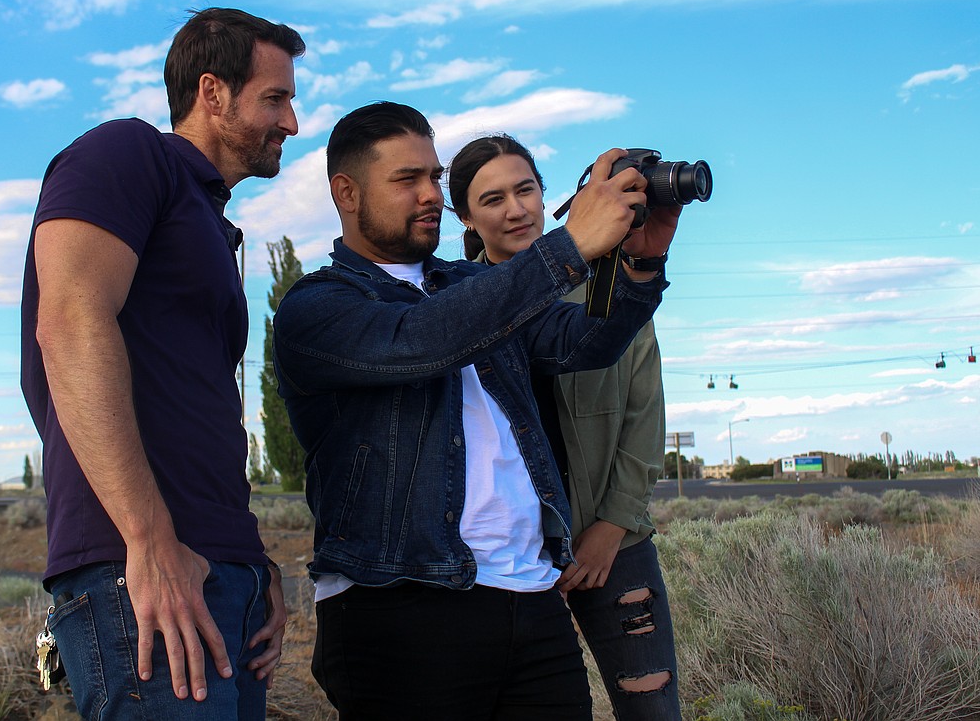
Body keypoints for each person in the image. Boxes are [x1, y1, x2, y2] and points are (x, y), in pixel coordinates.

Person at [271, 102, 681, 719]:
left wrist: (639, 264)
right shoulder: (318, 308)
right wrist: (568, 244)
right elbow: (426, 339)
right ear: (346, 193)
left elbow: (585, 342)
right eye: (406, 180)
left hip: (531, 596)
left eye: (434, 178)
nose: (429, 194)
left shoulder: (469, 285)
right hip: (402, 608)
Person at [20, 7, 304, 720]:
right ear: (212, 93)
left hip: (220, 574)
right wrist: (146, 539)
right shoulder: (126, 153)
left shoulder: (209, 220)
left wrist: (254, 558)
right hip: (142, 570)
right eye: (276, 98)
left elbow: (195, 408)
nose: (293, 123)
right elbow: (68, 325)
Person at [448, 134, 682, 720]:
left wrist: (610, 526)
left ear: (547, 194)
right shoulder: (452, 302)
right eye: (493, 198)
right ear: (466, 217)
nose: (516, 209)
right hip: (508, 553)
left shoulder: (612, 288)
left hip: (611, 543)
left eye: (526, 189)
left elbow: (643, 415)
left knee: (651, 710)